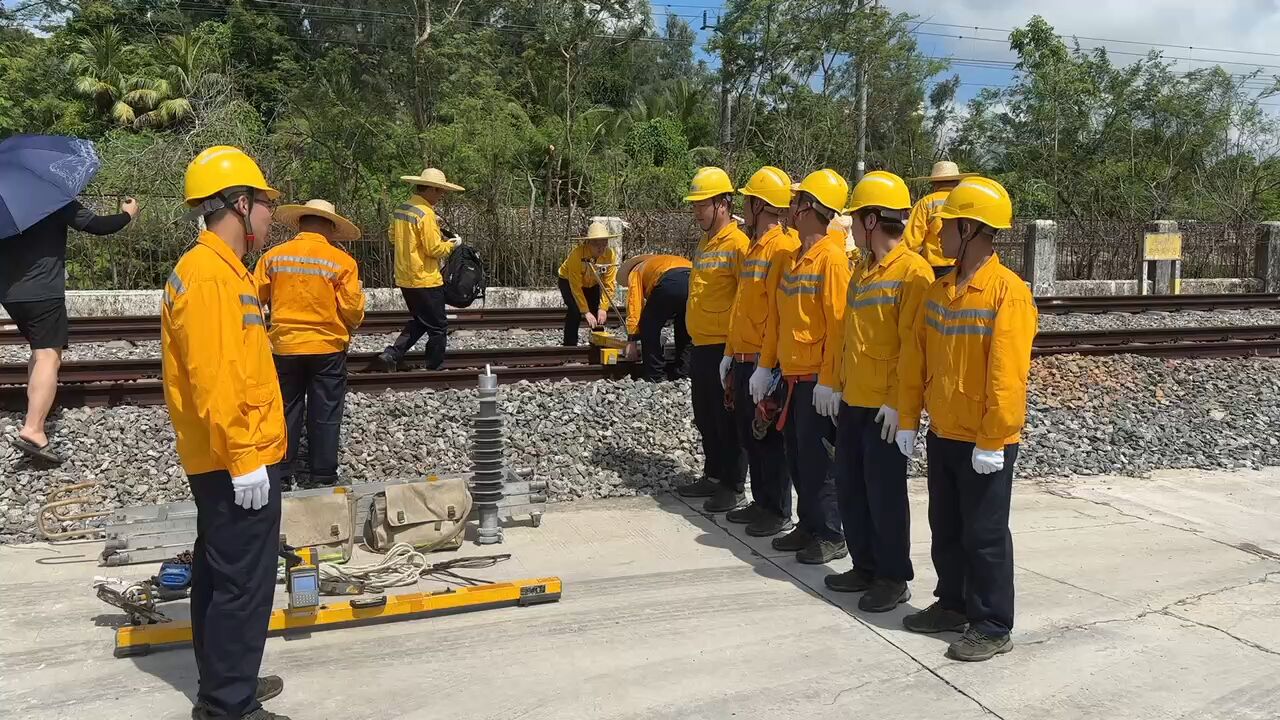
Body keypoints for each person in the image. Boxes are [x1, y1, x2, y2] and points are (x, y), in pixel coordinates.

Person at [162, 145, 289, 719]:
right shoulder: (211, 274)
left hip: (221, 451)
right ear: (240, 203)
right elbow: (214, 377)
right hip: (235, 455)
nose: (269, 215)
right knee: (244, 583)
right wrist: (244, 458)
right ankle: (228, 705)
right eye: (265, 204)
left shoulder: (217, 269)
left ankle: (225, 683)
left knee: (217, 573)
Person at [896, 176, 1038, 662]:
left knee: (985, 534)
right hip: (946, 431)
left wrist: (994, 440)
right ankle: (953, 604)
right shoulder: (940, 292)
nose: (938, 232)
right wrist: (908, 418)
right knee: (947, 526)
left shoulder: (1006, 293)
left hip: (984, 440)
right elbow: (917, 359)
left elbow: (1006, 374)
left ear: (972, 227)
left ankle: (993, 624)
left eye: (948, 223)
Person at [823, 171, 933, 612]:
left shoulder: (914, 273)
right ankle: (865, 565)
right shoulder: (863, 272)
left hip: (885, 406)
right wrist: (836, 385)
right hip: (855, 400)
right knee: (851, 486)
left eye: (857, 218)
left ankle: (892, 576)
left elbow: (913, 347)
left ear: (871, 221)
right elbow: (847, 334)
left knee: (885, 494)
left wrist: (899, 403)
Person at [751, 169, 851, 564]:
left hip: (814, 381)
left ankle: (830, 533)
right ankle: (808, 526)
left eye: (795, 202)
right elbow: (777, 319)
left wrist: (829, 381)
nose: (789, 209)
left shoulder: (832, 260)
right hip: (790, 376)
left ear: (810, 208)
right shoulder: (794, 260)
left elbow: (839, 327)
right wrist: (765, 366)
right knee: (797, 457)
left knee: (818, 463)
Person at [1, 196, 138, 463]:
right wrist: (128, 215)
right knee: (48, 357)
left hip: (10, 293)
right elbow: (97, 225)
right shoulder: (53, 198)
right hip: (43, 291)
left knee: (38, 354)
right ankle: (33, 428)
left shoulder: (6, 201)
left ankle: (36, 411)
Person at [254, 199, 366, 487]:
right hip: (327, 348)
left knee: (285, 409)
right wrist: (349, 325)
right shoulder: (342, 262)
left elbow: (254, 300)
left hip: (284, 347)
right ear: (330, 227)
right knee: (325, 412)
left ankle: (280, 474)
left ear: (300, 223)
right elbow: (352, 309)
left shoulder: (274, 257)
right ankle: (323, 476)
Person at [719, 166, 798, 537]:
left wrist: (767, 366)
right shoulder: (755, 248)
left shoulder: (781, 249)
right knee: (752, 437)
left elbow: (776, 314)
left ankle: (778, 509)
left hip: (763, 361)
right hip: (744, 357)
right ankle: (762, 502)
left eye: (747, 199)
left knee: (769, 440)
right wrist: (731, 352)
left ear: (757, 204)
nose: (743, 206)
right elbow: (742, 307)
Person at [675, 167, 749, 514]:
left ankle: (733, 485)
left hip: (724, 348)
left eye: (702, 205)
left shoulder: (738, 244)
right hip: (701, 344)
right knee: (705, 416)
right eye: (695, 205)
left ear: (723, 204)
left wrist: (734, 350)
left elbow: (747, 298)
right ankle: (713, 474)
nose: (696, 212)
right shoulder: (705, 242)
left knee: (727, 420)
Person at [376, 167, 463, 371]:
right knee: (438, 326)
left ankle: (392, 354)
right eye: (440, 191)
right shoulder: (425, 213)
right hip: (425, 278)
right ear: (430, 189)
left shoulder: (402, 209)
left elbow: (392, 237)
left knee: (421, 320)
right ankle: (435, 366)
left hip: (405, 277)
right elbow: (434, 249)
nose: (441, 195)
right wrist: (453, 244)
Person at [620, 253, 692, 382]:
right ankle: (684, 372)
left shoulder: (636, 271)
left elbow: (634, 304)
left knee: (648, 326)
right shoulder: (662, 261)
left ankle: (655, 374)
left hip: (669, 281)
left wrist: (632, 339)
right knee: (685, 327)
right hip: (694, 281)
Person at [904, 161, 978, 279]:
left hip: (933, 268)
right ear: (958, 182)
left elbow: (911, 241)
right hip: (963, 266)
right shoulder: (967, 202)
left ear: (934, 183)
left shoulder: (926, 203)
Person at [557, 221, 619, 346]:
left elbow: (609, 283)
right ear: (588, 243)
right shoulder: (576, 255)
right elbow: (575, 286)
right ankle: (569, 345)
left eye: (604, 243)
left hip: (593, 282)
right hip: (568, 281)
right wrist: (585, 312)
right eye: (596, 244)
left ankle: (598, 344)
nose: (601, 248)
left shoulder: (610, 255)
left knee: (598, 312)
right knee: (575, 310)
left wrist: (603, 308)